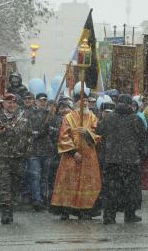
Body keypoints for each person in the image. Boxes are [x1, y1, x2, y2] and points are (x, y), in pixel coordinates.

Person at [51, 91, 101, 220]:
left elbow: (98, 135)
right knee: (68, 182)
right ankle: (66, 209)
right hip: (71, 157)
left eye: (86, 101)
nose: (84, 103)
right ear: (76, 102)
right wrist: (73, 152)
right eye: (81, 100)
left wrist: (87, 133)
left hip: (89, 157)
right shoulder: (68, 117)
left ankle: (84, 210)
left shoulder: (93, 117)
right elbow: (63, 137)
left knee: (86, 183)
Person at [97, 94, 146, 224]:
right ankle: (130, 214)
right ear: (130, 105)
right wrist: (141, 155)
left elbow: (98, 132)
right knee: (131, 189)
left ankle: (109, 216)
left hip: (111, 160)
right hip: (131, 161)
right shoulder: (136, 120)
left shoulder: (108, 119)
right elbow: (142, 140)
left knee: (111, 190)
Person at [0, 93, 33, 224]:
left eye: (13, 103)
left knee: (16, 185)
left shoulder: (23, 116)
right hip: (2, 157)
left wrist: (28, 151)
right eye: (8, 102)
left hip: (19, 157)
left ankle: (10, 206)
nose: (11, 105)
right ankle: (5, 212)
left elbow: (29, 135)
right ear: (3, 103)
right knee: (4, 184)